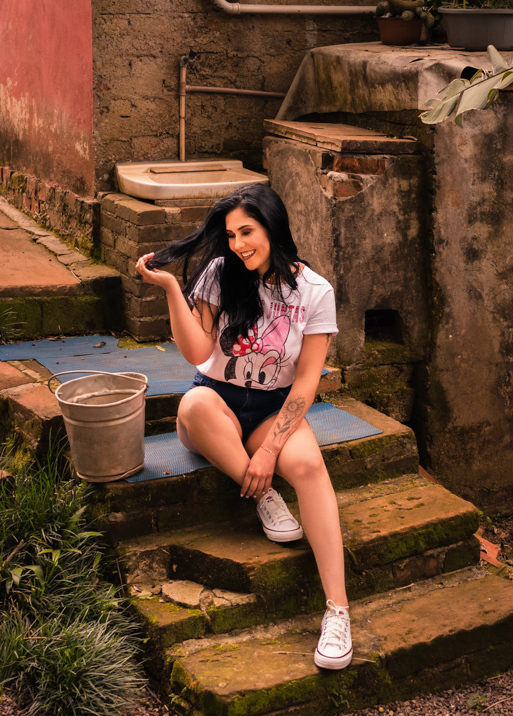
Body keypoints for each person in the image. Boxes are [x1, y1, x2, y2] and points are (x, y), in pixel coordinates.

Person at [134, 184, 352, 670]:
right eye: (231, 235)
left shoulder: (315, 293)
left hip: (274, 409)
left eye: (247, 232)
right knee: (193, 404)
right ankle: (263, 496)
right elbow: (195, 353)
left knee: (311, 467)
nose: (237, 245)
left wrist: (271, 451)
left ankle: (337, 610)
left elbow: (304, 387)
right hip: (218, 406)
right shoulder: (220, 273)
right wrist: (172, 288)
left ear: (272, 226)